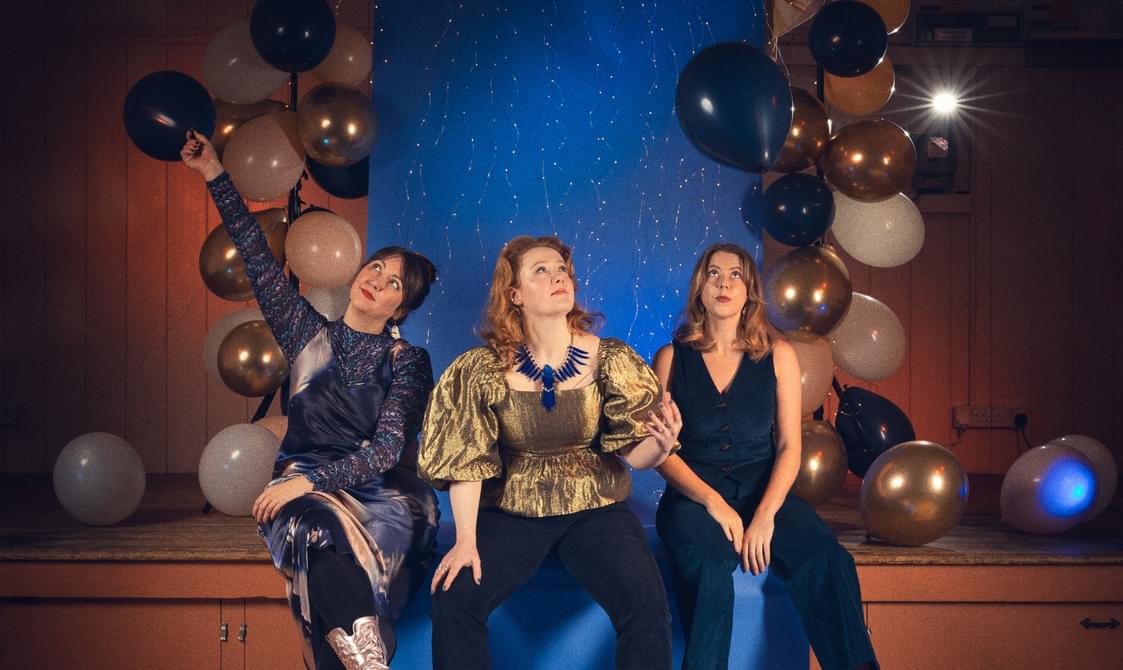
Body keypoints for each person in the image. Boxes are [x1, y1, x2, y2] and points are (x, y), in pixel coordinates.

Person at [181, 131, 440, 670]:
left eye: (394, 283)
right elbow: (255, 255)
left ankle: (366, 661)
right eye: (376, 267)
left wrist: (309, 482)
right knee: (307, 524)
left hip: (385, 494)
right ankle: (372, 661)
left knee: (316, 531)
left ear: (399, 310)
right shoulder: (304, 333)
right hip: (304, 481)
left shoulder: (407, 361)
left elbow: (390, 449)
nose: (377, 280)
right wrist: (213, 173)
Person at [418, 235, 680, 669]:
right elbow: (468, 463)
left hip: (597, 507)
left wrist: (661, 444)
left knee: (647, 604)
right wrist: (466, 540)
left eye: (562, 269)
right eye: (541, 269)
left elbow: (637, 456)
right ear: (514, 294)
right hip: (511, 509)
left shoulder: (609, 358)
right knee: (455, 599)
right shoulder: (479, 370)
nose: (558, 275)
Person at [653, 243, 878, 670]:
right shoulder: (669, 358)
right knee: (709, 575)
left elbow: (790, 447)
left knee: (828, 559)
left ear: (750, 289)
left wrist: (765, 515)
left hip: (763, 490)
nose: (723, 283)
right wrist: (713, 503)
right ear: (699, 288)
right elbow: (661, 453)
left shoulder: (779, 355)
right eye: (713, 274)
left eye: (735, 274)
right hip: (693, 498)